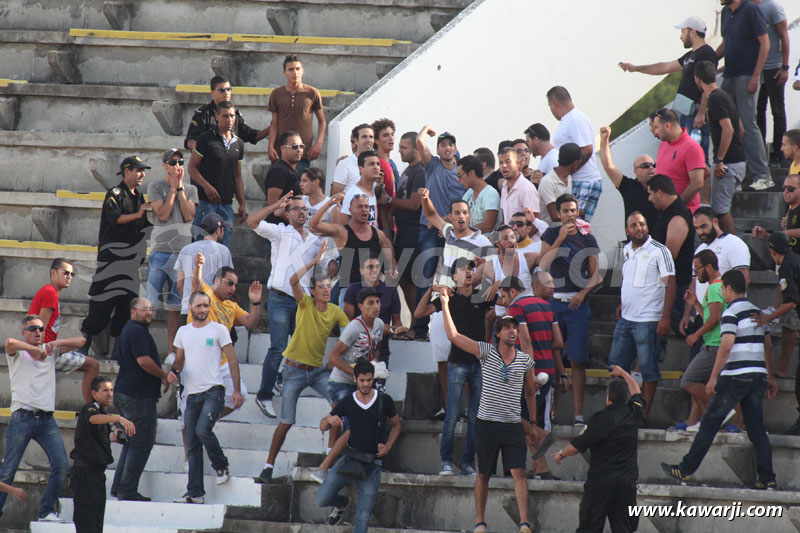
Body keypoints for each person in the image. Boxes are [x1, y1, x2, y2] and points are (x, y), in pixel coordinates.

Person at [663, 270, 777, 489]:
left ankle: (686, 469)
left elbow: (726, 345)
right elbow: (768, 346)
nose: (723, 294)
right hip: (757, 376)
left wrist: (713, 377)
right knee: (756, 429)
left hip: (735, 376)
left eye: (723, 289)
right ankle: (767, 478)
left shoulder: (731, 312)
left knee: (709, 424)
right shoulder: (757, 311)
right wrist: (769, 376)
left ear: (728, 288)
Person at [439, 292, 537, 533]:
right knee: (483, 474)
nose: (512, 331)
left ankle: (524, 523)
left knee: (519, 472)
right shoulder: (486, 352)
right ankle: (479, 521)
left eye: (515, 327)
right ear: (498, 333)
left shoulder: (525, 361)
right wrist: (444, 304)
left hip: (513, 424)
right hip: (487, 423)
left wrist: (532, 424)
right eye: (507, 328)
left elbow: (531, 393)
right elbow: (453, 336)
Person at [258, 243, 349, 484]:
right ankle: (267, 467)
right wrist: (314, 261)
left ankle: (328, 460)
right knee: (287, 421)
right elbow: (293, 281)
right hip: (293, 370)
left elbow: (352, 333)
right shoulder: (305, 303)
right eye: (322, 287)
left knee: (339, 406)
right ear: (314, 290)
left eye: (329, 287)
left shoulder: (336, 311)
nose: (327, 291)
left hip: (318, 371)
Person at [417, 190, 493, 418]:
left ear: (470, 216)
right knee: (442, 357)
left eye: (465, 212)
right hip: (442, 302)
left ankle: (472, 409)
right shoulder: (448, 232)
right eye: (456, 213)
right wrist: (425, 198)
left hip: (467, 305)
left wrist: (474, 286)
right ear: (450, 216)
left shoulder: (482, 241)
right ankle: (450, 408)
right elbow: (430, 214)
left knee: (468, 358)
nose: (460, 216)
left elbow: (491, 273)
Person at [415, 258, 492, 476]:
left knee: (475, 417)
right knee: (452, 415)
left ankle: (468, 463)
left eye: (471, 269)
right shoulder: (450, 297)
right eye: (462, 270)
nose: (468, 273)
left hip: (479, 364)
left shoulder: (480, 295)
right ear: (454, 277)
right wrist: (431, 289)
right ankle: (446, 462)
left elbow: (505, 289)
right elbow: (419, 314)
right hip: (457, 362)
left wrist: (488, 265)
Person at [247, 194, 322, 418]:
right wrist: (275, 206)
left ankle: (279, 378)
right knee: (278, 346)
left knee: (300, 347)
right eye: (296, 209)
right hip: (279, 298)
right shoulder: (280, 232)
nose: (302, 212)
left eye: (305, 209)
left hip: (302, 301)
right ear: (287, 214)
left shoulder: (315, 239)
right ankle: (264, 394)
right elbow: (252, 222)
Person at [168, 291, 243, 503]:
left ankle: (221, 465)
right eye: (199, 306)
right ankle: (195, 493)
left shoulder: (219, 329)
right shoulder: (183, 331)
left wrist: (236, 390)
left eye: (206, 305)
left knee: (202, 430)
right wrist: (173, 371)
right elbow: (179, 360)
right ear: (191, 308)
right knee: (192, 445)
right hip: (191, 394)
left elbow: (233, 361)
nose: (203, 309)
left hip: (214, 389)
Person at [552, 366, 645, 533]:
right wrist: (623, 373)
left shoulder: (599, 419)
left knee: (590, 527)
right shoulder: (634, 414)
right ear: (626, 398)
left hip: (600, 484)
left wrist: (560, 454)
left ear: (608, 398)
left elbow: (577, 446)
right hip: (626, 485)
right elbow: (637, 391)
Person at [315, 360, 402, 532]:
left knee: (363, 517)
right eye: (362, 380)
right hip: (349, 459)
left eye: (369, 380)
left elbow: (397, 425)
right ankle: (341, 503)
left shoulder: (384, 400)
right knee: (321, 499)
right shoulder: (348, 401)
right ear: (355, 379)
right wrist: (329, 420)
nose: (365, 384)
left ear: (373, 380)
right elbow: (323, 426)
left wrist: (388, 446)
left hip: (372, 463)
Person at [0, 315, 70, 522]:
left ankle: (46, 511)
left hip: (46, 419)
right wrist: (34, 351)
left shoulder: (49, 350)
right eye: (32, 329)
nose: (38, 332)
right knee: (8, 470)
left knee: (61, 465)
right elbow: (9, 343)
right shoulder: (18, 352)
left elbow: (81, 342)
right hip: (23, 417)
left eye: (40, 328)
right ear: (24, 332)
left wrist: (56, 343)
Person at [539, 194, 601, 426]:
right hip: (553, 304)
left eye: (573, 210)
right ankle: (552, 409)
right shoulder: (552, 233)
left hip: (577, 306)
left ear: (578, 212)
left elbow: (596, 275)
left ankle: (577, 414)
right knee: (553, 359)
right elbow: (542, 264)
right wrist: (560, 239)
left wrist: (582, 294)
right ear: (558, 213)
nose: (570, 215)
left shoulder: (587, 237)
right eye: (565, 211)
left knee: (577, 361)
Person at [619, 16, 718, 160]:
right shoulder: (691, 55)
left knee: (699, 158)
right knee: (687, 156)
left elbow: (708, 83)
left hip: (695, 112)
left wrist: (701, 113)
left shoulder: (706, 53)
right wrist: (636, 68)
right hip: (685, 112)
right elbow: (665, 67)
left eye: (683, 32)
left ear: (693, 32)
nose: (681, 37)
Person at [81, 155, 152, 354]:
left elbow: (144, 227)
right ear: (126, 171)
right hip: (111, 262)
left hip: (130, 265)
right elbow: (115, 218)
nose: (142, 174)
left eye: (143, 171)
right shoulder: (115, 193)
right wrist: (138, 215)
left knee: (126, 308)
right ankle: (84, 345)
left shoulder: (139, 197)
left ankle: (118, 351)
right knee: (100, 306)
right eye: (138, 170)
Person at [608, 212, 676, 420]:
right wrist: (622, 303)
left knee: (648, 370)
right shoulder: (626, 250)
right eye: (634, 225)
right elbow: (628, 280)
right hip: (626, 318)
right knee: (615, 368)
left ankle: (642, 415)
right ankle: (616, 412)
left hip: (648, 319)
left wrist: (665, 317)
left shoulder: (659, 250)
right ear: (627, 230)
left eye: (642, 224)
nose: (639, 228)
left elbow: (670, 283)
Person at [501, 273, 569, 479]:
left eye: (503, 297)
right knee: (531, 421)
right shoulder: (548, 306)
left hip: (529, 373)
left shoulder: (516, 308)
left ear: (512, 292)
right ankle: (540, 469)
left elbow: (526, 342)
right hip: (547, 370)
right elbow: (558, 342)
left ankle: (544, 447)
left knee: (520, 420)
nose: (503, 302)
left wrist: (528, 372)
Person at [187, 254, 260, 417]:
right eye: (230, 283)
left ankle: (208, 421)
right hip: (198, 360)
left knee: (242, 395)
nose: (233, 288)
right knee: (188, 414)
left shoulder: (232, 306)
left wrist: (255, 303)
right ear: (218, 281)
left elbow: (251, 323)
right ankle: (198, 426)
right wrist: (198, 267)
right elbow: (196, 283)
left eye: (235, 285)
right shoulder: (205, 294)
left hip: (223, 362)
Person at [110, 298, 167, 502]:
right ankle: (127, 489)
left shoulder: (131, 329)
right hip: (137, 396)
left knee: (131, 443)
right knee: (141, 443)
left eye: (151, 310)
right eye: (145, 310)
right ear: (133, 311)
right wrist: (163, 375)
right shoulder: (135, 331)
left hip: (129, 393)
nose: (149, 313)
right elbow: (143, 361)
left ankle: (119, 488)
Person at [146, 148, 199, 354]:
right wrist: (172, 189)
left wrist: (180, 189)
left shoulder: (190, 189)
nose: (177, 165)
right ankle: (143, 347)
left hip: (182, 253)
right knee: (149, 303)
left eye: (180, 162)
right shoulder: (155, 187)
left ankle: (171, 352)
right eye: (172, 162)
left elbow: (188, 215)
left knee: (175, 308)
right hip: (160, 251)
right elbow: (164, 214)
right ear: (164, 165)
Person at [415, 126, 466, 330]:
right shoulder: (432, 165)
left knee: (454, 279)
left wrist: (445, 222)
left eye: (450, 144)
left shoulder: (460, 170)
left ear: (455, 148)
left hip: (452, 232)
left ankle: (454, 326)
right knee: (424, 277)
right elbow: (420, 143)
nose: (447, 148)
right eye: (443, 145)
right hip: (428, 230)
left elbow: (464, 203)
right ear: (437, 150)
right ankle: (419, 328)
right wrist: (427, 129)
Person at [718, 0, 772, 190]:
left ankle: (763, 175)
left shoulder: (750, 10)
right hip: (729, 75)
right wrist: (709, 60)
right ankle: (737, 175)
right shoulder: (725, 12)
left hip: (747, 74)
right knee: (728, 125)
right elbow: (726, 43)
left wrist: (756, 75)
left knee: (747, 123)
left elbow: (765, 43)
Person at [69, 376, 134, 533]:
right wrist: (118, 418)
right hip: (85, 473)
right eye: (105, 390)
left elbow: (93, 437)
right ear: (94, 393)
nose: (109, 394)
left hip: (96, 474)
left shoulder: (102, 413)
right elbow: (92, 419)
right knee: (87, 522)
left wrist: (111, 438)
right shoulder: (90, 408)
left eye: (111, 390)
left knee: (97, 522)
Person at [30, 258, 99, 403]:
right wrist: (41, 352)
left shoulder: (49, 292)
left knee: (81, 345)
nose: (69, 277)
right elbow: (39, 327)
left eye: (72, 275)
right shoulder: (50, 293)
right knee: (93, 364)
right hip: (45, 350)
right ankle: (90, 409)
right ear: (53, 273)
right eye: (66, 273)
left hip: (47, 347)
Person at [326, 288, 386, 456]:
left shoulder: (379, 324)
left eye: (378, 302)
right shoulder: (353, 328)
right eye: (370, 303)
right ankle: (332, 458)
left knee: (345, 419)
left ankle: (333, 454)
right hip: (341, 382)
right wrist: (354, 374)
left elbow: (375, 349)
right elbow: (333, 357)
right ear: (361, 306)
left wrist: (374, 363)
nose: (376, 306)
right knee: (349, 423)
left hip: (359, 382)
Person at [308, 194, 395, 303]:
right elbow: (313, 223)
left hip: (373, 293)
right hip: (349, 292)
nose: (364, 210)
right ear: (350, 210)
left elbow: (391, 265)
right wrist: (329, 203)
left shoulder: (379, 235)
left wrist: (390, 290)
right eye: (359, 207)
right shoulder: (342, 232)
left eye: (366, 207)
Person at [753, 233, 800, 434]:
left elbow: (791, 301)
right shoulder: (791, 261)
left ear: (772, 251)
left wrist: (767, 319)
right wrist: (772, 310)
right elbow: (784, 293)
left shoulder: (787, 265)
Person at [694, 60, 747, 234]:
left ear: (698, 79)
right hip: (737, 160)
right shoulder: (724, 96)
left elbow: (729, 129)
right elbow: (741, 130)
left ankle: (732, 248)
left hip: (728, 163)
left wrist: (720, 160)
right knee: (721, 208)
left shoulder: (714, 99)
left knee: (720, 210)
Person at [676, 250, 726, 431]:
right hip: (714, 344)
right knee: (703, 385)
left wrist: (696, 335)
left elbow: (714, 319)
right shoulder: (718, 286)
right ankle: (710, 421)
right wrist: (696, 303)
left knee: (688, 381)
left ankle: (721, 411)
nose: (696, 274)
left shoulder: (714, 287)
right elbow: (709, 317)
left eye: (697, 269)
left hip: (714, 346)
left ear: (709, 267)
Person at [188, 101, 247, 247]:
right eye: (225, 116)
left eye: (232, 116)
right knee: (201, 248)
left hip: (227, 204)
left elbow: (237, 176)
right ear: (217, 117)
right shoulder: (206, 138)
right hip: (205, 204)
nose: (229, 120)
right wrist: (206, 186)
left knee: (223, 250)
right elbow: (192, 167)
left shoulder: (239, 143)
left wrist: (242, 203)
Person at [648, 174, 696, 334]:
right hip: (666, 284)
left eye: (650, 193)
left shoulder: (678, 217)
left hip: (677, 286)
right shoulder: (665, 212)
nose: (649, 199)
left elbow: (668, 256)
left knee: (685, 330)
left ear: (659, 193)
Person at [546, 86, 603, 221]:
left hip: (585, 180)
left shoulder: (576, 119)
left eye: (550, 106)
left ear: (555, 104)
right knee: (570, 226)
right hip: (576, 180)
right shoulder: (569, 119)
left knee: (574, 226)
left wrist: (568, 171)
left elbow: (587, 149)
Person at [343, 254, 406, 367]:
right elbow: (347, 323)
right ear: (361, 270)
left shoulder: (390, 290)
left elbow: (396, 321)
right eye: (370, 267)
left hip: (381, 348)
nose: (374, 270)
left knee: (378, 383)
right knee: (357, 383)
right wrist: (380, 328)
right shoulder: (353, 289)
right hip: (356, 347)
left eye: (377, 267)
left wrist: (398, 330)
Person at [267, 55, 326, 174]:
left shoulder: (312, 92)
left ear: (302, 70)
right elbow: (274, 123)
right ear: (284, 72)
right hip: (281, 153)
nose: (295, 72)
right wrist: (271, 146)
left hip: (302, 154)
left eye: (297, 69)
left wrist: (318, 143)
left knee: (300, 189)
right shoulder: (276, 93)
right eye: (291, 69)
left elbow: (322, 121)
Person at [393, 131, 426, 329]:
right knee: (403, 279)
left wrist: (388, 200)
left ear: (416, 148)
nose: (400, 151)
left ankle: (417, 323)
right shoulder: (407, 170)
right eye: (400, 147)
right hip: (403, 231)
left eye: (404, 147)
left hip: (413, 232)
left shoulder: (420, 171)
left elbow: (414, 204)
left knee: (410, 279)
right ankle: (414, 321)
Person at [184, 75, 268, 151]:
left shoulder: (235, 114)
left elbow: (252, 136)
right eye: (222, 90)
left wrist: (272, 127)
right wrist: (198, 147)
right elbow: (190, 140)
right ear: (212, 92)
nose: (226, 93)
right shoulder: (203, 114)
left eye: (228, 89)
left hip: (229, 160)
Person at [598, 126, 658, 229]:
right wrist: (604, 139)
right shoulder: (629, 186)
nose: (651, 168)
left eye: (653, 165)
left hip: (659, 240)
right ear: (635, 171)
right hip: (635, 240)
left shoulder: (663, 185)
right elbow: (609, 166)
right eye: (645, 166)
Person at [174, 213, 234, 317]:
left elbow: (179, 286)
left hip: (188, 309)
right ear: (218, 230)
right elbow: (227, 283)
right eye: (223, 229)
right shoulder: (223, 251)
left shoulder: (185, 249)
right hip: (212, 311)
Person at [753, 0, 790, 166]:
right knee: (758, 110)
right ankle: (760, 151)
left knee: (777, 109)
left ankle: (778, 152)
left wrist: (785, 66)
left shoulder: (772, 7)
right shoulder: (747, 7)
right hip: (756, 68)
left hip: (774, 66)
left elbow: (784, 35)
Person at [652, 107, 706, 211]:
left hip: (684, 212)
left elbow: (697, 183)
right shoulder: (663, 144)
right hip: (665, 212)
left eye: (657, 127)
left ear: (667, 126)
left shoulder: (691, 147)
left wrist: (676, 205)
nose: (655, 132)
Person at [263, 131, 303, 224]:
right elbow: (273, 204)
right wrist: (294, 222)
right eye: (294, 146)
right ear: (283, 149)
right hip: (278, 228)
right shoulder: (279, 171)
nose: (299, 150)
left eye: (301, 146)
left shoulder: (292, 170)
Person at [338, 150, 386, 228]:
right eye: (371, 164)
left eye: (378, 164)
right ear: (360, 169)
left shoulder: (375, 188)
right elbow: (342, 228)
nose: (376, 167)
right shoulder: (353, 194)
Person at [538, 143, 581, 226]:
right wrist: (579, 213)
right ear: (575, 163)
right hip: (550, 233)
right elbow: (554, 216)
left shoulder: (568, 178)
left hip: (564, 228)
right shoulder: (547, 182)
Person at [459, 154, 499, 233]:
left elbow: (488, 226)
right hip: (470, 242)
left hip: (488, 244)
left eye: (460, 175)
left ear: (471, 173)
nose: (458, 179)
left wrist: (462, 232)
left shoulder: (490, 193)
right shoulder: (469, 193)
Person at [499, 147, 540, 225]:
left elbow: (536, 222)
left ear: (517, 164)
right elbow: (507, 219)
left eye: (508, 162)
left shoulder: (526, 188)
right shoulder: (504, 188)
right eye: (501, 163)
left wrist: (522, 237)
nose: (504, 166)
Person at [331, 124, 375, 195]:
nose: (368, 140)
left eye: (371, 137)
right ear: (356, 141)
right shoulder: (344, 164)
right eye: (364, 137)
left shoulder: (378, 164)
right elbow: (335, 198)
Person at [371, 117, 398, 198]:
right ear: (376, 140)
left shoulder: (392, 164)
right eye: (386, 135)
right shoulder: (375, 164)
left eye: (392, 134)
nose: (391, 138)